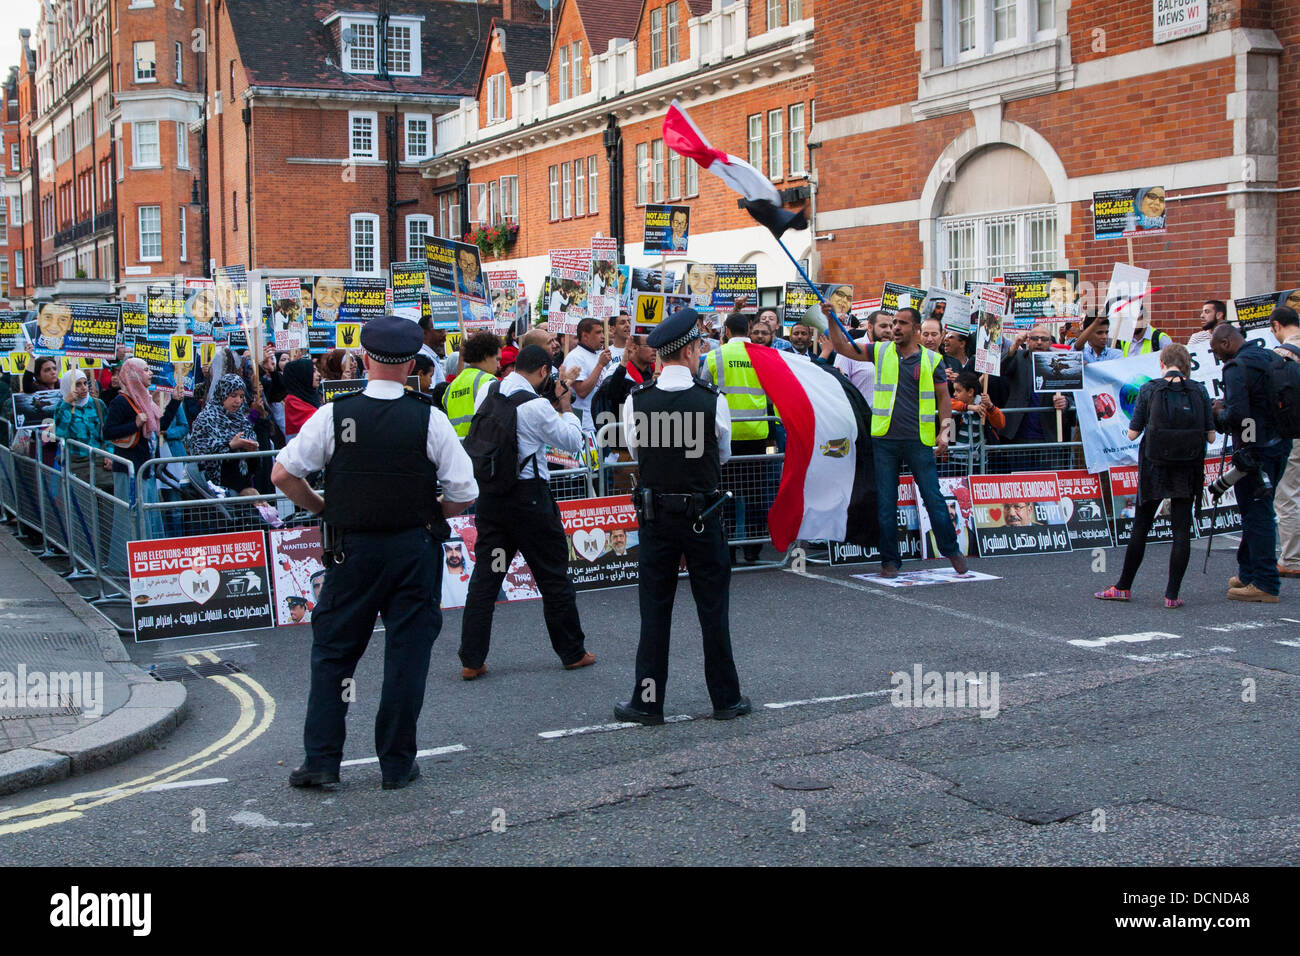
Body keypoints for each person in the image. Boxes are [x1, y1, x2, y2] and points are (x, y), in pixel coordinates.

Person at [272, 315, 477, 791]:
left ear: (365, 359)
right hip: (412, 550)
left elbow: (282, 476)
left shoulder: (334, 416)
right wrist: (430, 512)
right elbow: (464, 493)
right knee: (407, 657)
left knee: (334, 656)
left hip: (352, 552)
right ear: (410, 364)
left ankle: (322, 760)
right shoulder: (430, 417)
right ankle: (397, 764)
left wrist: (324, 507)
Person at [614, 307, 749, 725]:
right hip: (703, 516)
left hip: (656, 519)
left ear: (661, 356)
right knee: (713, 610)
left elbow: (637, 453)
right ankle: (725, 699)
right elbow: (721, 456)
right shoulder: (714, 401)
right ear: (690, 351)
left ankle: (648, 701)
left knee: (655, 611)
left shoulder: (636, 400)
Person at [457, 345, 596, 680]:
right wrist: (565, 407)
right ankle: (572, 652)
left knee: (486, 579)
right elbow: (572, 443)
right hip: (529, 501)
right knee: (552, 576)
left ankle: (471, 660)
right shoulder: (535, 407)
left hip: (492, 500)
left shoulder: (488, 394)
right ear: (544, 372)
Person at [826, 307, 967, 577]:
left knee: (934, 499)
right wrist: (833, 320)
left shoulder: (932, 360)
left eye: (902, 324)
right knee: (886, 504)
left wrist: (945, 430)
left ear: (915, 329)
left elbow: (944, 399)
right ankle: (890, 561)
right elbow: (842, 348)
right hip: (885, 440)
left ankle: (951, 550)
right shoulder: (880, 352)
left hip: (918, 439)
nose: (896, 328)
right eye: (893, 323)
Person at [1095, 344, 1214, 608]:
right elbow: (1211, 436)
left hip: (1154, 465)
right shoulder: (1199, 390)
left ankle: (1123, 586)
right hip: (1188, 466)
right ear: (1186, 365)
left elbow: (1133, 434)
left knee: (1142, 525)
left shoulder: (1150, 389)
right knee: (1181, 529)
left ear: (1162, 363)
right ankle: (1172, 595)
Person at [1210, 323, 1291, 603]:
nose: (1217, 357)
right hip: (1279, 442)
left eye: (1215, 351)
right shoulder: (1269, 356)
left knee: (1257, 513)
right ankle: (1249, 572)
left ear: (1225, 342)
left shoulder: (1236, 367)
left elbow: (1240, 417)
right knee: (1254, 510)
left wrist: (1220, 413)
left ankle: (1265, 583)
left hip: (1254, 450)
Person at [704, 310, 771, 563]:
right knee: (755, 492)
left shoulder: (714, 356)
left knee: (724, 492)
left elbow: (705, 393)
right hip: (757, 431)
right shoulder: (765, 355)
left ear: (727, 332)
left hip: (725, 434)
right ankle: (754, 548)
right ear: (749, 328)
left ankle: (728, 547)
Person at [188, 375, 260, 495]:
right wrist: (230, 446)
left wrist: (251, 449)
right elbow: (201, 454)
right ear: (222, 394)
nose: (238, 401)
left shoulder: (242, 419)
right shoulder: (206, 418)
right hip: (217, 491)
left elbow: (254, 463)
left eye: (241, 396)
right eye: (233, 395)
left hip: (242, 485)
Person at [1270, 306, 1300, 579]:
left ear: (1277, 326)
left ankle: (1291, 558)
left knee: (1288, 494)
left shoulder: (1283, 356)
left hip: (1294, 432)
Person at [53, 367, 112, 488]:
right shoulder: (62, 406)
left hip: (100, 463)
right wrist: (67, 405)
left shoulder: (97, 404)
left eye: (85, 383)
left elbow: (108, 433)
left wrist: (110, 455)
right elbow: (59, 433)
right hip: (77, 464)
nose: (84, 387)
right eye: (78, 384)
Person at [441, 331, 501, 438]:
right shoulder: (489, 381)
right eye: (497, 359)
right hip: (479, 444)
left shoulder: (452, 385)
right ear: (486, 356)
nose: (499, 365)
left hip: (457, 446)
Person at [562, 317, 610, 431]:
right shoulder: (576, 357)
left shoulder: (598, 355)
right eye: (598, 332)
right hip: (585, 425)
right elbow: (582, 391)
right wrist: (600, 366)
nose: (603, 336)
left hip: (599, 422)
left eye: (602, 332)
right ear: (585, 336)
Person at [281, 357, 321, 441]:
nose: (318, 374)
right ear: (302, 374)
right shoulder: (292, 400)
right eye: (313, 371)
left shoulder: (312, 395)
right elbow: (314, 421)